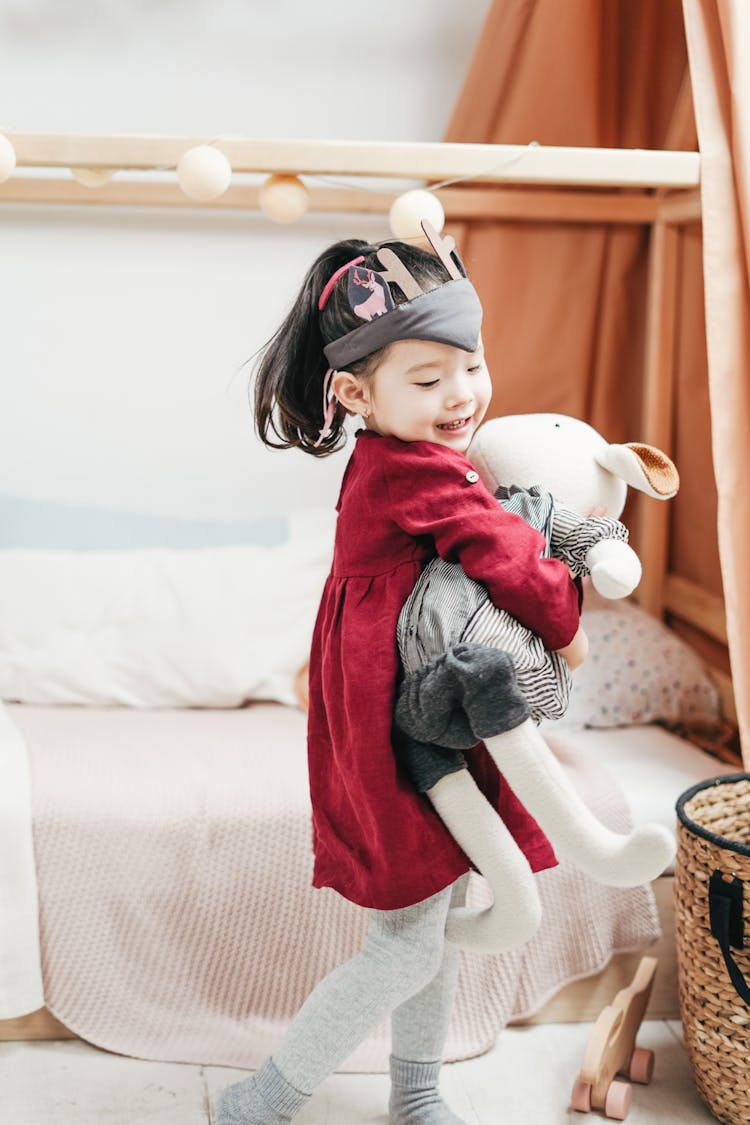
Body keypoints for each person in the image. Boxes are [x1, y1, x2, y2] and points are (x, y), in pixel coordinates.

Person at [217, 221, 586, 1125]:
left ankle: (416, 1090)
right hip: (399, 726)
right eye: (427, 380)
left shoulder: (412, 453)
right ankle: (265, 1097)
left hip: (416, 709)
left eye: (472, 362)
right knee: (406, 938)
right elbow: (502, 550)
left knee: (429, 912)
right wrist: (566, 618)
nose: (462, 394)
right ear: (356, 392)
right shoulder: (409, 469)